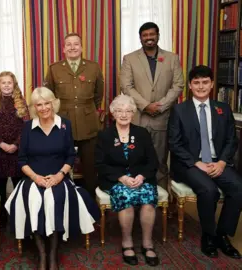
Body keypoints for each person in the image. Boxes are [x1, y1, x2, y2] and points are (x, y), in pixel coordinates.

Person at [5, 87, 100, 270]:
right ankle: (42, 254)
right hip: (33, 178)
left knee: (53, 200)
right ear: (34, 107)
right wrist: (36, 178)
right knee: (34, 200)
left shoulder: (64, 125)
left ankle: (53, 255)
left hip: (59, 177)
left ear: (53, 103)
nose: (43, 108)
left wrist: (59, 176)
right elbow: (22, 160)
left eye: (47, 103)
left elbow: (70, 156)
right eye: (38, 105)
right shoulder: (27, 128)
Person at [168, 65, 242, 259]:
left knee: (238, 187)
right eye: (196, 83)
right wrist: (196, 163)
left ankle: (222, 235)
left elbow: (231, 140)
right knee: (208, 190)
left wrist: (222, 163)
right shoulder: (179, 110)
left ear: (211, 85)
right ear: (190, 86)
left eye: (205, 82)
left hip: (217, 162)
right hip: (190, 164)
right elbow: (174, 144)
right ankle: (208, 236)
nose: (201, 86)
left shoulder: (223, 109)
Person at [95, 95, 160, 266]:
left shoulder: (142, 133)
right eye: (119, 111)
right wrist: (121, 177)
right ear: (113, 113)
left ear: (133, 113)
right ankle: (127, 242)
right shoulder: (105, 135)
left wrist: (141, 176)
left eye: (127, 111)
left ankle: (147, 243)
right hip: (115, 180)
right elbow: (100, 164)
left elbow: (153, 161)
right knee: (126, 197)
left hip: (141, 178)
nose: (123, 114)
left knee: (147, 198)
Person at [120, 22, 184, 190]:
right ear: (140, 38)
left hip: (162, 118)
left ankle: (160, 197)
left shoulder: (172, 58)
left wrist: (160, 106)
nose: (148, 38)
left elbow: (178, 85)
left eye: (152, 34)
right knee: (135, 159)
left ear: (158, 35)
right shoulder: (130, 59)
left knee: (160, 161)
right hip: (138, 118)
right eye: (145, 35)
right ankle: (136, 197)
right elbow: (126, 86)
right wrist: (146, 105)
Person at [44, 33, 105, 198]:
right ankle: (63, 201)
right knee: (61, 165)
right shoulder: (54, 68)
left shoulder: (93, 67)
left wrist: (89, 108)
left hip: (88, 124)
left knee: (90, 168)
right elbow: (49, 95)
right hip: (62, 123)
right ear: (63, 49)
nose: (72, 47)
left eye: (76, 44)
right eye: (68, 44)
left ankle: (91, 205)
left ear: (81, 47)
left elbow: (99, 94)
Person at [0, 71, 30, 226]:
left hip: (17, 150)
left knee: (19, 183)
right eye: (3, 82)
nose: (6, 85)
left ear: (14, 84)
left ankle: (19, 214)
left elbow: (26, 126)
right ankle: (2, 217)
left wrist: (16, 144)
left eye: (9, 82)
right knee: (0, 184)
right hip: (0, 150)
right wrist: (1, 144)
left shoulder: (21, 102)